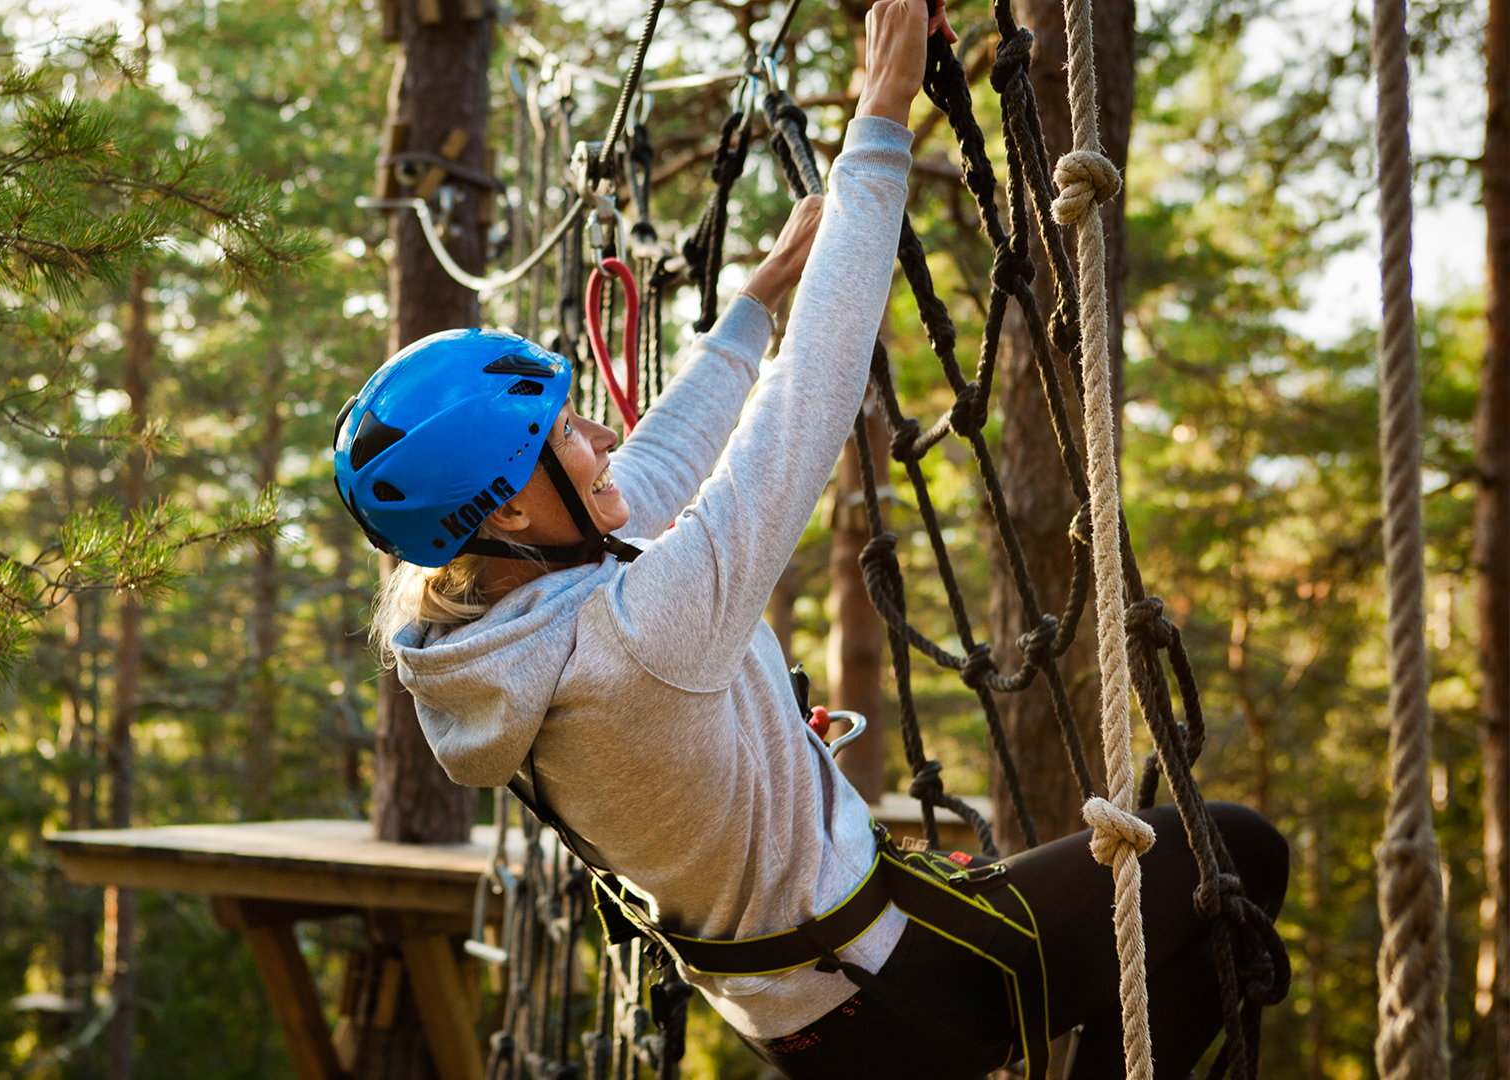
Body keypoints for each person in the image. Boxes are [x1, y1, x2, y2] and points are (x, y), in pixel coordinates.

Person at [332, 0, 1288, 1073]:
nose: (601, 438)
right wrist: (881, 115)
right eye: (567, 435)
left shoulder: (500, 625)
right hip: (893, 981)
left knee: (1200, 883)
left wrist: (752, 302)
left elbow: (660, 460)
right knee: (1234, 861)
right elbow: (813, 395)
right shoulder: (636, 633)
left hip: (816, 1006)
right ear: (511, 509)